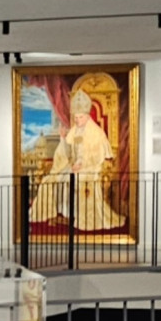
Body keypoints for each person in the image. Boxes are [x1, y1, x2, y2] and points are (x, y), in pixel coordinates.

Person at [29, 88, 125, 230]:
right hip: (72, 166)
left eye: (80, 117)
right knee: (50, 180)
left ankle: (76, 215)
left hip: (89, 168)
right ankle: (65, 212)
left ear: (87, 116)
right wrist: (63, 138)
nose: (77, 120)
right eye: (76, 117)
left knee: (76, 181)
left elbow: (97, 155)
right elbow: (67, 153)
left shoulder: (96, 133)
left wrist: (81, 164)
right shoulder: (74, 130)